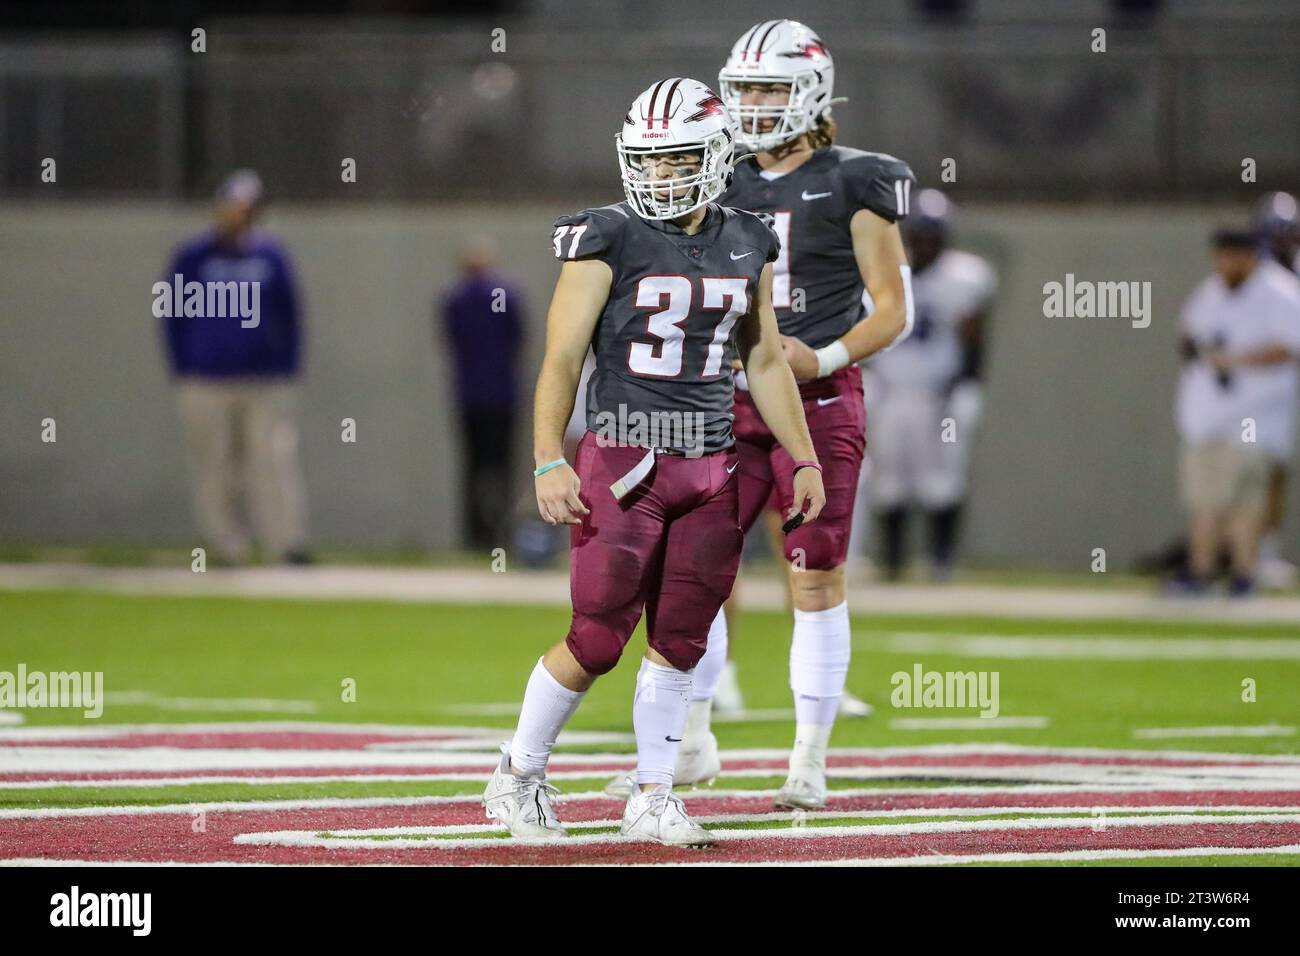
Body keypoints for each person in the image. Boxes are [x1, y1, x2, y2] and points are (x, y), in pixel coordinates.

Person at [481, 77, 825, 846]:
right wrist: (547, 459)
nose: (661, 176)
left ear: (713, 156)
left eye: (676, 161)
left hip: (711, 466)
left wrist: (802, 457)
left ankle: (653, 794)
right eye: (649, 161)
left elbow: (764, 359)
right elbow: (562, 358)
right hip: (626, 460)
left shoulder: (748, 238)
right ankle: (518, 773)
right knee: (598, 634)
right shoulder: (605, 235)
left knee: (681, 639)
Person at [648, 20, 915, 811]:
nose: (756, 104)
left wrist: (823, 358)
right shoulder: (717, 174)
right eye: (746, 89)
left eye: (770, 87)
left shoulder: (857, 179)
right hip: (725, 398)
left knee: (816, 575)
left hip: (821, 397)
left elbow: (894, 308)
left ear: (811, 93)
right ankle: (694, 741)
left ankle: (808, 759)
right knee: (693, 571)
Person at [161, 169, 310, 566]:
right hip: (206, 378)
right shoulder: (193, 256)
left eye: (245, 208)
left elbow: (290, 315)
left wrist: (285, 365)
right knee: (215, 465)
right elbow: (173, 315)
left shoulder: (270, 255)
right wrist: (184, 366)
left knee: (272, 461)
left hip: (261, 379)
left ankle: (286, 544)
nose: (235, 215)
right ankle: (230, 547)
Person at [864, 189, 996, 581]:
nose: (924, 244)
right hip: (890, 392)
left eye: (931, 236)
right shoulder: (887, 272)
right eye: (919, 235)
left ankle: (941, 559)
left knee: (941, 479)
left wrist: (969, 384)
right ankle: (893, 562)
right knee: (889, 479)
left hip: (938, 396)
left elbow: (973, 335)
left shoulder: (963, 278)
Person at [1171, 227, 1300, 595]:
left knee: (1238, 500)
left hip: (1253, 415)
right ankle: (1221, 573)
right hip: (1210, 416)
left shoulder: (1279, 292)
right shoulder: (1211, 291)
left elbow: (1291, 346)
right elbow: (1188, 332)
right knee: (1210, 498)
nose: (1224, 263)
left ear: (1250, 256)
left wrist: (1236, 360)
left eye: (1232, 256)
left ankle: (1227, 573)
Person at [440, 238, 526, 551]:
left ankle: (476, 535)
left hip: (470, 396)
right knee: (502, 466)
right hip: (502, 395)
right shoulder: (506, 294)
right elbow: (518, 339)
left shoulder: (455, 298)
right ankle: (502, 533)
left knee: (473, 466)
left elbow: (450, 339)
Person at [1251, 192, 1300, 588]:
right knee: (1249, 469)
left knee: (1277, 469)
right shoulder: (1255, 276)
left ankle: (1264, 551)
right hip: (1251, 390)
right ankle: (1244, 554)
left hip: (1284, 387)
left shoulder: (1290, 274)